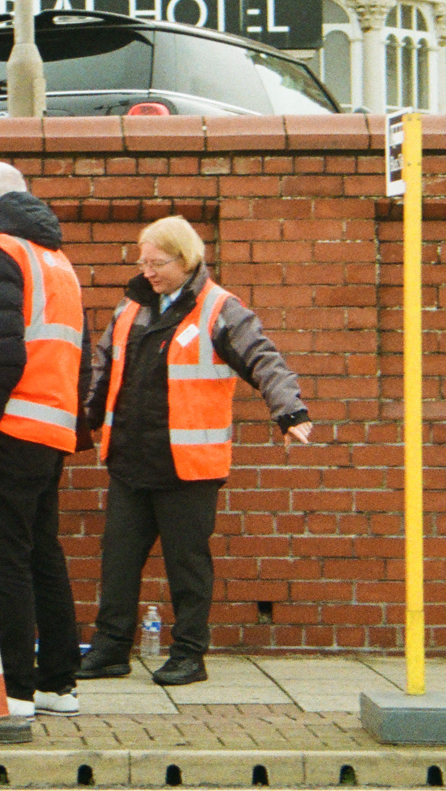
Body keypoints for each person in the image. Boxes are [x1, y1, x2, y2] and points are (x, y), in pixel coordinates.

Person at [77, 214, 315, 687]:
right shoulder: (131, 307)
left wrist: (289, 412)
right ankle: (110, 649)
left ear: (186, 261)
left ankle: (189, 653)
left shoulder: (220, 308)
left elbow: (263, 358)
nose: (147, 270)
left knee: (187, 564)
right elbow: (103, 367)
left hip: (188, 467)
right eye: (142, 261)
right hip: (130, 459)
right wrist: (81, 423)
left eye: (157, 262)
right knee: (118, 559)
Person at [0, 161, 86, 719]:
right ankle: (58, 684)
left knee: (5, 561)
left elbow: (1, 352)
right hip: (50, 429)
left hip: (5, 428)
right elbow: (74, 356)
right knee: (44, 555)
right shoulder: (57, 261)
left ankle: (15, 690)